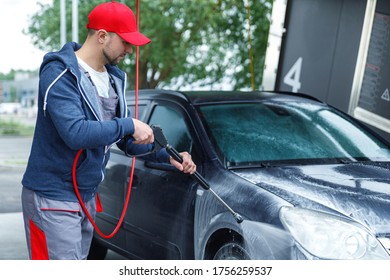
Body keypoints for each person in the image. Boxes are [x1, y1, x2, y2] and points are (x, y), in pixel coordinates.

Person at [21, 1, 196, 260]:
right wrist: (129, 124)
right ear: (102, 36)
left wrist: (165, 154)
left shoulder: (113, 79)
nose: (130, 49)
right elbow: (76, 133)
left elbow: (125, 141)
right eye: (125, 41)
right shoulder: (59, 74)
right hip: (53, 198)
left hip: (86, 196)